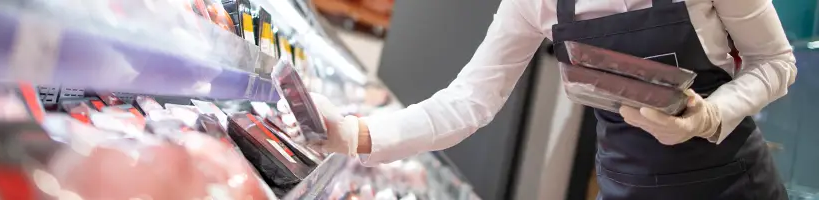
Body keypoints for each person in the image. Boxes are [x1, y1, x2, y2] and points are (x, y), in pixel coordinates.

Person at [300, 0, 798, 199]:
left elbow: (777, 62)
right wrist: (355, 134)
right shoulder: (534, 2)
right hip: (630, 184)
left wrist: (710, 115)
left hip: (732, 183)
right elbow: (471, 99)